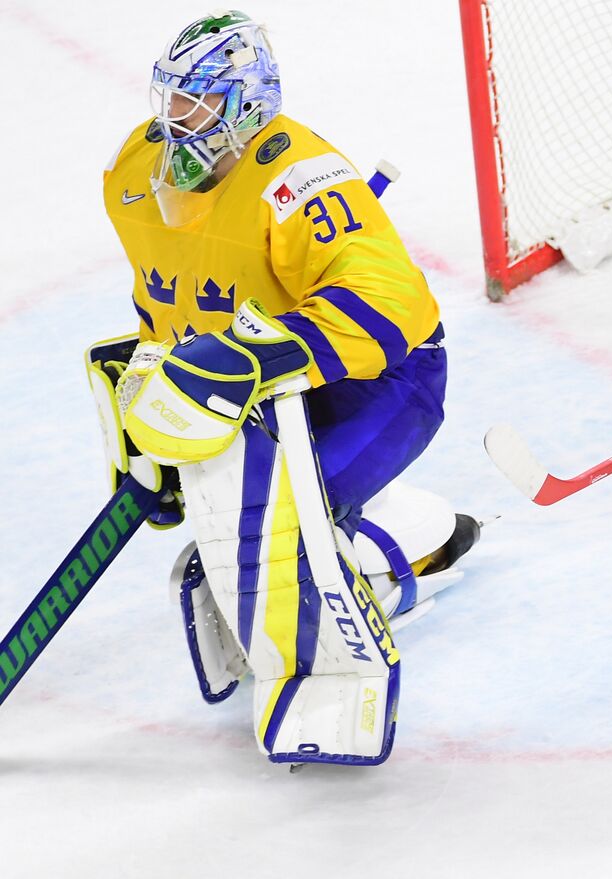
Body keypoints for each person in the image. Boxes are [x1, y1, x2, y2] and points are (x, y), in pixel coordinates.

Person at [87, 11, 478, 766]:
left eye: (196, 104)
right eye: (169, 101)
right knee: (223, 542)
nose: (174, 122)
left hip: (381, 380)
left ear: (245, 105)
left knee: (281, 532)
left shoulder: (303, 180)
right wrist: (155, 410)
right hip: (265, 391)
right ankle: (371, 531)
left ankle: (409, 558)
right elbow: (163, 299)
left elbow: (396, 307)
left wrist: (262, 352)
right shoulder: (134, 173)